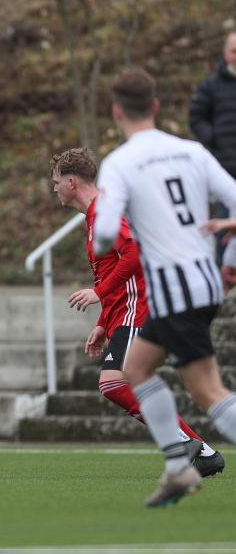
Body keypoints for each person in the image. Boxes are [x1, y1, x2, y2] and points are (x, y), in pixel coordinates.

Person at [93, 67, 236, 507]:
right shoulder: (191, 151)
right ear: (155, 107)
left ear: (117, 112)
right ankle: (177, 468)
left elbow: (102, 236)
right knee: (134, 370)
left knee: (209, 390)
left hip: (175, 291)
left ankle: (181, 469)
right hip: (205, 282)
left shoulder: (120, 163)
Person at [51, 147, 224, 477]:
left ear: (72, 182)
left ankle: (184, 443)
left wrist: (97, 293)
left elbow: (133, 254)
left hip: (138, 309)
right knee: (119, 383)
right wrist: (102, 323)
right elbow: (112, 270)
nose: (54, 189)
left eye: (56, 181)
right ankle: (200, 451)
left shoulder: (104, 211)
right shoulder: (93, 218)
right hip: (121, 313)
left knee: (114, 383)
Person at [189, 32, 236, 262]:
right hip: (225, 169)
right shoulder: (211, 85)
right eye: (233, 51)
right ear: (225, 54)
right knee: (224, 228)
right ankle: (222, 280)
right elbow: (196, 118)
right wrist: (214, 137)